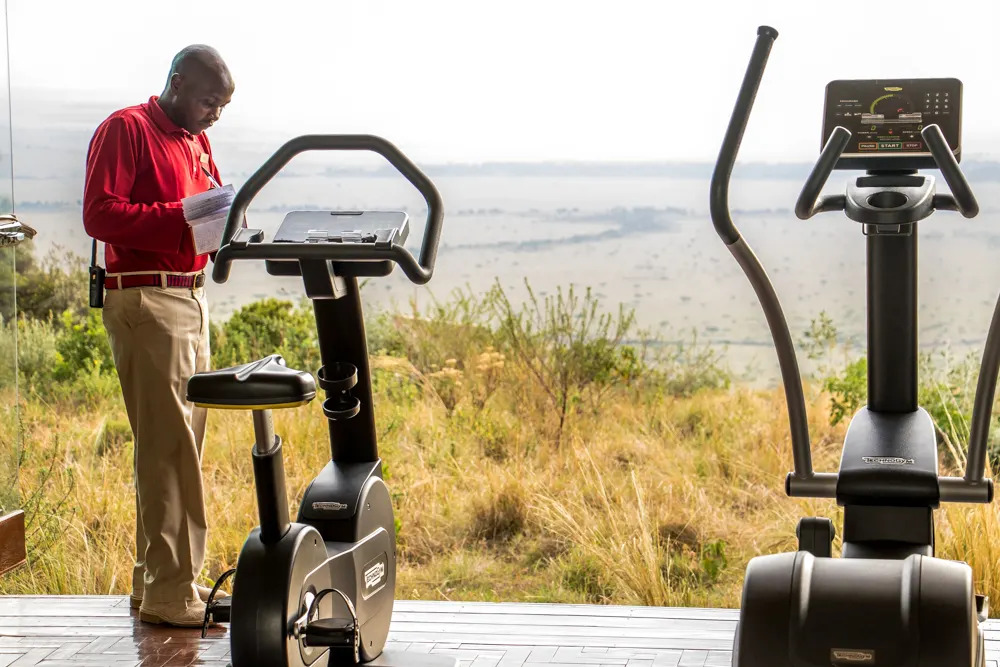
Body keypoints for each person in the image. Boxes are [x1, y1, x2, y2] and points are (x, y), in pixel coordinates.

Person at [82, 44, 234, 627]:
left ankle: (157, 585)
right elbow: (100, 214)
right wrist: (181, 217)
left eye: (222, 105)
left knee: (178, 448)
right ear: (176, 82)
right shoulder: (127, 129)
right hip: (146, 296)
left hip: (188, 296)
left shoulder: (197, 140)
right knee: (170, 451)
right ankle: (174, 594)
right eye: (207, 100)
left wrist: (225, 223)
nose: (214, 114)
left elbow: (202, 214)